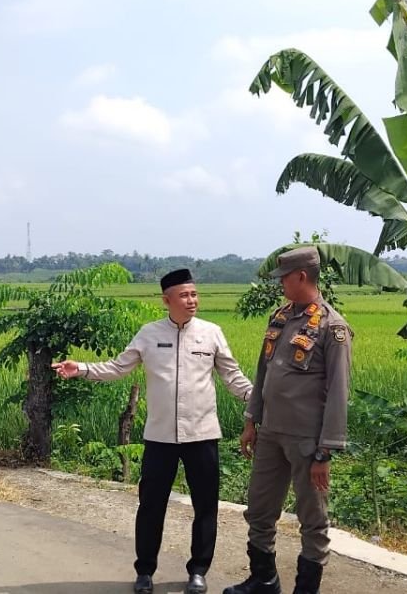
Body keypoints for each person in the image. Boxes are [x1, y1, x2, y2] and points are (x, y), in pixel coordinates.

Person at [52, 269, 253, 594]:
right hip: (159, 438)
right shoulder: (149, 334)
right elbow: (119, 366)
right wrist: (83, 369)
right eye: (185, 295)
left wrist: (262, 398)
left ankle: (198, 571)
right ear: (167, 300)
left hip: (203, 435)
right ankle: (144, 571)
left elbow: (233, 378)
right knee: (151, 506)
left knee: (206, 506)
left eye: (195, 294)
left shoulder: (212, 333)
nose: (192, 301)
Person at [225, 246, 351, 594]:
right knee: (260, 509)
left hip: (307, 441)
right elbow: (263, 373)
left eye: (284, 278)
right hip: (271, 433)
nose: (280, 284)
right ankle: (263, 580)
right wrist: (252, 420)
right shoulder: (280, 318)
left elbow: (339, 393)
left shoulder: (331, 327)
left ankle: (305, 589)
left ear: (301, 276)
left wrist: (325, 452)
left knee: (312, 519)